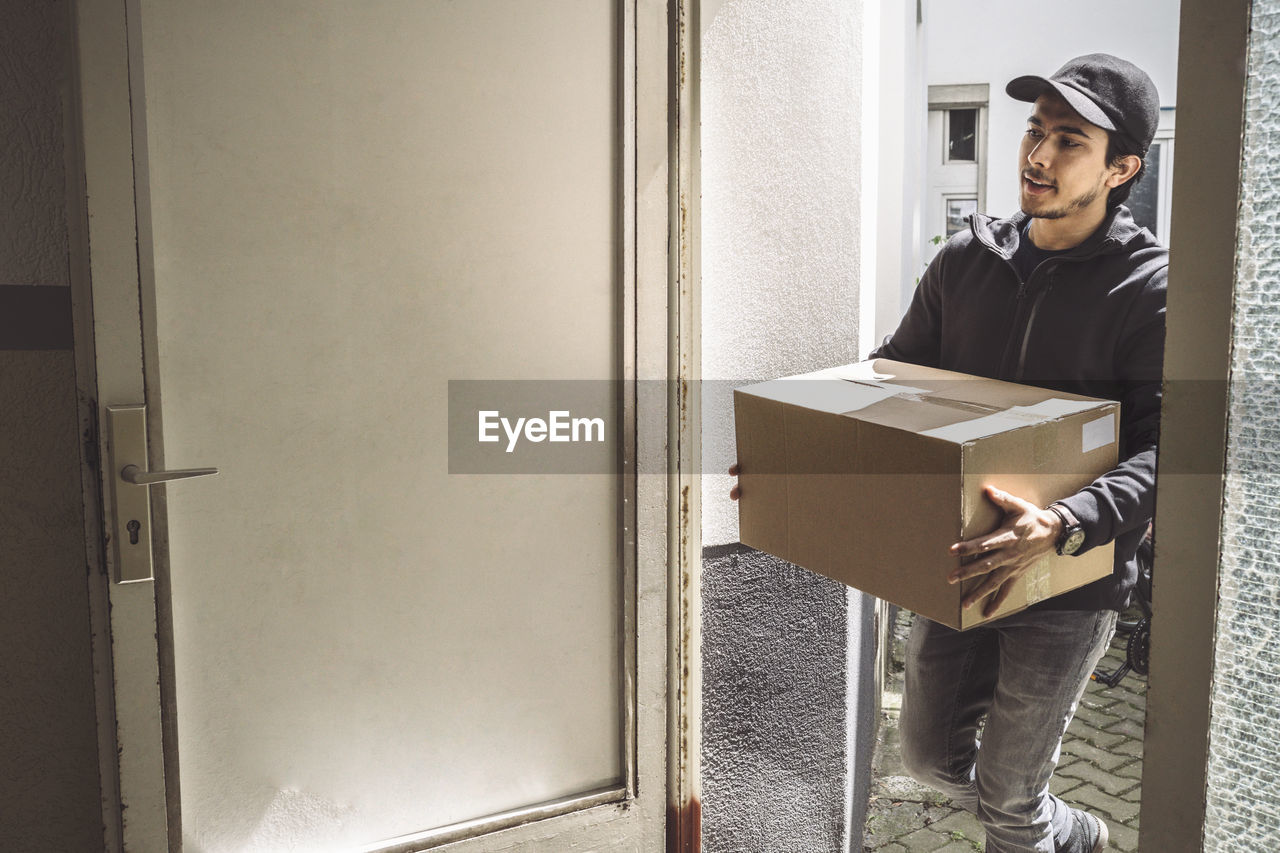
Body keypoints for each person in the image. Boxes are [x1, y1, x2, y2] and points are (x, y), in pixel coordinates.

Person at [730, 54, 1165, 853]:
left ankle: (1029, 817)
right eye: (1035, 131)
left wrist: (1065, 521)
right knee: (930, 759)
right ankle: (1071, 828)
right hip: (953, 561)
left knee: (1006, 803)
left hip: (1069, 580)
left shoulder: (1149, 290)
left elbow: (1162, 453)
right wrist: (803, 459)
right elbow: (889, 382)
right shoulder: (967, 262)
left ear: (1122, 167)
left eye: (1069, 140)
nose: (1036, 156)